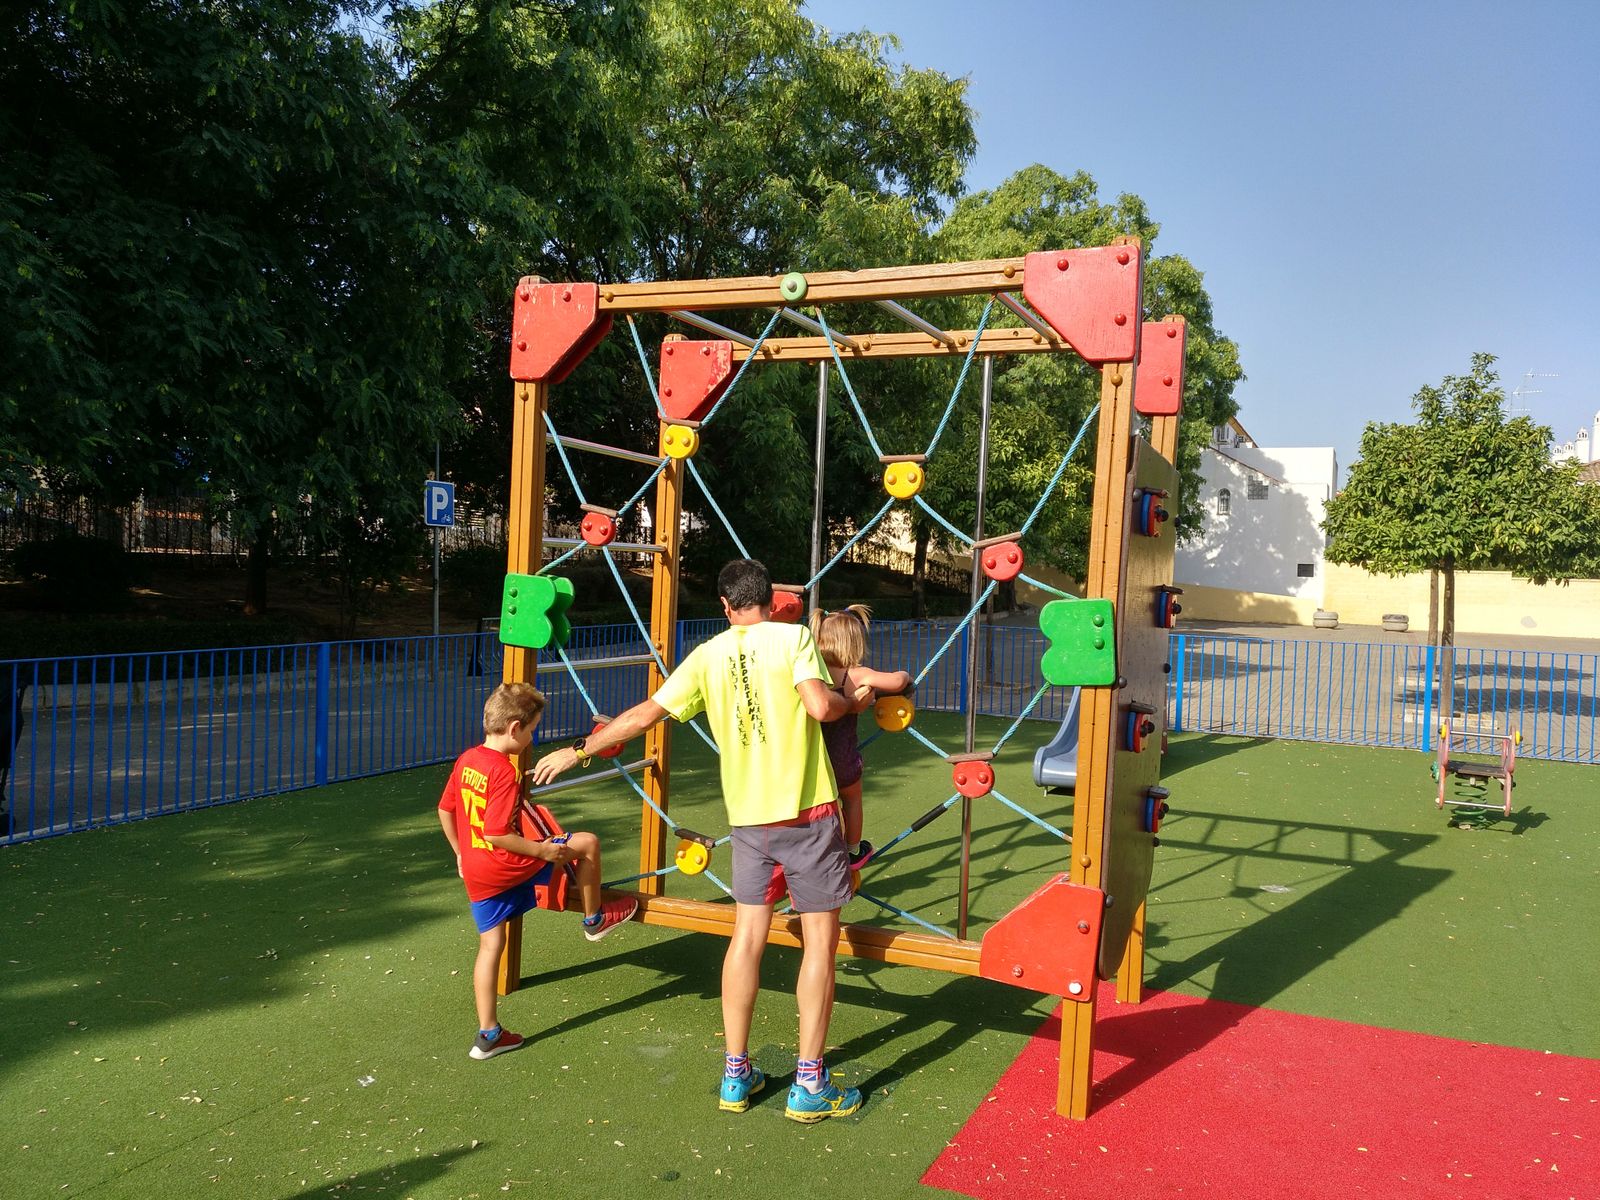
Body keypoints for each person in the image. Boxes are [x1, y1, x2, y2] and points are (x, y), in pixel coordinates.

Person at [532, 559, 866, 1123]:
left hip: (749, 823)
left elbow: (643, 716)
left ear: (725, 606)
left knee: (746, 940)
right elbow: (818, 705)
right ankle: (809, 1083)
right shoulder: (794, 638)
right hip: (808, 816)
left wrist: (579, 750)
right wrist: (847, 703)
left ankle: (736, 1074)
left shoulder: (709, 654)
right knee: (818, 947)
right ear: (769, 598)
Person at [438, 682, 636, 1061]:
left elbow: (445, 809)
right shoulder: (503, 772)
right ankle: (595, 919)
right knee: (588, 843)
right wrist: (542, 850)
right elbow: (498, 833)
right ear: (514, 728)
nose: (532, 737)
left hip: (478, 873)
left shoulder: (468, 759)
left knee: (490, 946)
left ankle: (488, 1034)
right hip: (509, 865)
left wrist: (460, 853)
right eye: (532, 730)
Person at [806, 604, 913, 868]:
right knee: (851, 799)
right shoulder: (856, 675)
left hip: (810, 760)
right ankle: (853, 849)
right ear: (854, 644)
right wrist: (904, 674)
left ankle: (811, 852)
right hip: (841, 758)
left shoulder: (810, 673)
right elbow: (898, 682)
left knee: (815, 806)